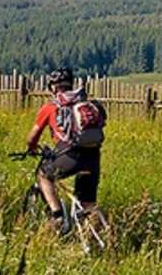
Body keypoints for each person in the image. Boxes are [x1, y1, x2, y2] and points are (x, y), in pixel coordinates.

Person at [24, 68, 104, 229]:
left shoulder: (51, 107)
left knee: (44, 176)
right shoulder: (88, 103)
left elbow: (33, 137)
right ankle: (100, 235)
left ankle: (57, 216)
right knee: (87, 203)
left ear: (53, 87)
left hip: (70, 154)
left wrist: (31, 148)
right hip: (93, 156)